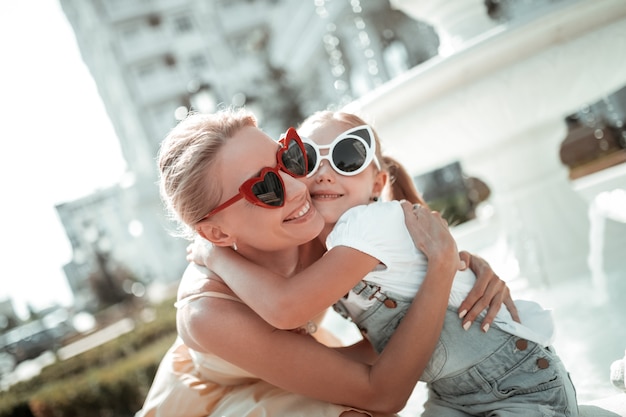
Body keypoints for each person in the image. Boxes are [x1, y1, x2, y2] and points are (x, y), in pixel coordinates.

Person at [189, 110, 585, 416]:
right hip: (215, 397)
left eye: (290, 160)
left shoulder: (352, 228)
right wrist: (214, 256)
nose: (304, 182)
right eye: (307, 159)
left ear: (378, 183)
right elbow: (294, 313)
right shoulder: (211, 303)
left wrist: (452, 266)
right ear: (216, 233)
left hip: (511, 382)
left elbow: (302, 311)